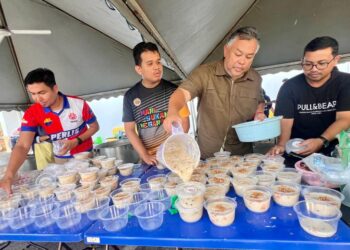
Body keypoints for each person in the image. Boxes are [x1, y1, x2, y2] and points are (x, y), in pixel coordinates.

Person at [163, 26, 265, 159]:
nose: (242, 61)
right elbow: (182, 93)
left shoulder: (255, 79)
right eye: (238, 54)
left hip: (242, 159)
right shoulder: (205, 73)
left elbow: (259, 100)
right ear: (226, 50)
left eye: (249, 57)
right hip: (208, 157)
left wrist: (259, 113)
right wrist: (172, 112)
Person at [0, 68, 99, 194]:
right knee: (69, 193)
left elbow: (95, 127)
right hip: (61, 160)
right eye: (33, 94)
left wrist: (76, 141)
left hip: (84, 156)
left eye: (42, 92)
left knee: (91, 190)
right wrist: (9, 176)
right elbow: (22, 145)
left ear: (55, 88)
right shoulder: (33, 112)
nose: (38, 99)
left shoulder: (78, 104)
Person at [268, 36, 350, 159]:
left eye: (321, 63)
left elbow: (344, 119)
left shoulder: (345, 82)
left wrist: (321, 140)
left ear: (335, 60)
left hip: (334, 151)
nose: (314, 69)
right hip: (298, 149)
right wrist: (281, 145)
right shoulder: (290, 87)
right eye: (308, 64)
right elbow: (285, 121)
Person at [123, 42, 190, 165]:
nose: (157, 67)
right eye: (150, 63)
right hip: (151, 159)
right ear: (139, 69)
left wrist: (174, 147)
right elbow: (130, 130)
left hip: (174, 155)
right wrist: (144, 155)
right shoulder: (130, 96)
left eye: (158, 62)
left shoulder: (175, 91)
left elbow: (185, 122)